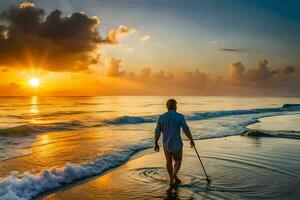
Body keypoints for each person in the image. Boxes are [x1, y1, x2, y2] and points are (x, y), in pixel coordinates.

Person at [154, 99, 195, 185]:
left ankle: (171, 178)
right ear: (174, 106)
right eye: (176, 105)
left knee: (168, 161)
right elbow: (186, 129)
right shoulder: (179, 116)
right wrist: (191, 140)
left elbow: (157, 131)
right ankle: (173, 175)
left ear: (167, 106)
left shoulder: (161, 117)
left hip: (166, 144)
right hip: (177, 144)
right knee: (178, 160)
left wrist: (156, 143)